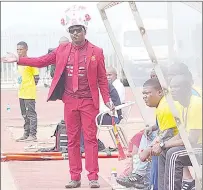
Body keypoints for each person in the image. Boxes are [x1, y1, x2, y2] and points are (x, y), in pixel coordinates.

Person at [2, 5, 114, 189]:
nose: (75, 33)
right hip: (70, 100)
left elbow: (102, 78)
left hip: (88, 102)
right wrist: (19, 59)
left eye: (78, 30)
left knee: (91, 138)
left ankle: (93, 177)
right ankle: (74, 177)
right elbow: (41, 61)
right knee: (72, 138)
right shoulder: (62, 50)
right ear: (68, 32)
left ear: (85, 30)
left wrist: (107, 99)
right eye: (72, 30)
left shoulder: (97, 52)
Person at [152, 75, 202, 190]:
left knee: (174, 154)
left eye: (176, 87)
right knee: (164, 152)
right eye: (171, 87)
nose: (172, 90)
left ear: (186, 89)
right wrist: (161, 145)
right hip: (194, 146)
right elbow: (181, 134)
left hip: (199, 146)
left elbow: (192, 140)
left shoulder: (196, 105)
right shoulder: (182, 105)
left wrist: (163, 144)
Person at [15, 41, 39, 142]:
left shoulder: (31, 62)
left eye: (21, 49)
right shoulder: (19, 63)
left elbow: (36, 77)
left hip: (29, 93)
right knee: (24, 114)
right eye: (17, 50)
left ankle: (33, 135)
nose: (19, 52)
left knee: (31, 114)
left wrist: (30, 86)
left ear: (26, 49)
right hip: (21, 92)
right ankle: (26, 133)